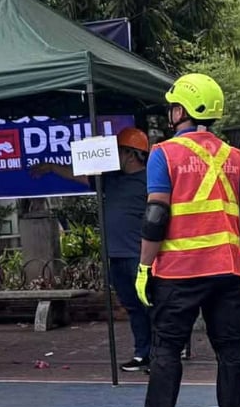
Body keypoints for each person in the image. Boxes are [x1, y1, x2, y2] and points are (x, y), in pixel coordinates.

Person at [125, 74, 240, 407]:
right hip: (227, 268)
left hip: (180, 269)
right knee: (230, 350)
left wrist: (144, 267)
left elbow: (156, 215)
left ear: (181, 111)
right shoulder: (234, 156)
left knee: (166, 349)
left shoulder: (164, 153)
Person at [34, 127, 156, 372]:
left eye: (119, 150)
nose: (115, 155)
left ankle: (160, 355)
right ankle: (143, 353)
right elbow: (78, 175)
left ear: (131, 154)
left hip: (139, 255)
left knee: (150, 306)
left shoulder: (150, 179)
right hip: (116, 255)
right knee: (133, 307)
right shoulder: (110, 178)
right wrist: (52, 167)